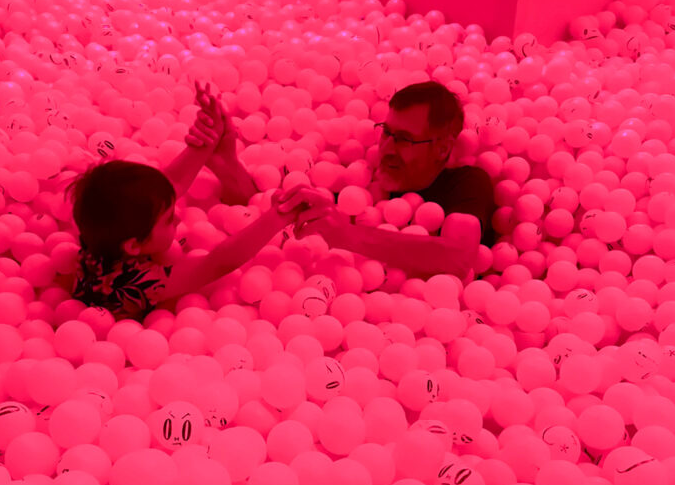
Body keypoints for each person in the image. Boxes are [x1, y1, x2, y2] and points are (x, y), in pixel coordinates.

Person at [66, 83, 320, 321]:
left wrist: (206, 141)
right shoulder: (137, 283)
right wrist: (277, 217)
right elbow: (217, 263)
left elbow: (170, 184)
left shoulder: (99, 231)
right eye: (168, 220)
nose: (177, 217)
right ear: (133, 246)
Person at [295, 81, 497, 279]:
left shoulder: (468, 183)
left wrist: (349, 235)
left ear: (442, 149)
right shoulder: (358, 176)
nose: (386, 148)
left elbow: (457, 258)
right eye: (386, 132)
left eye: (404, 139)